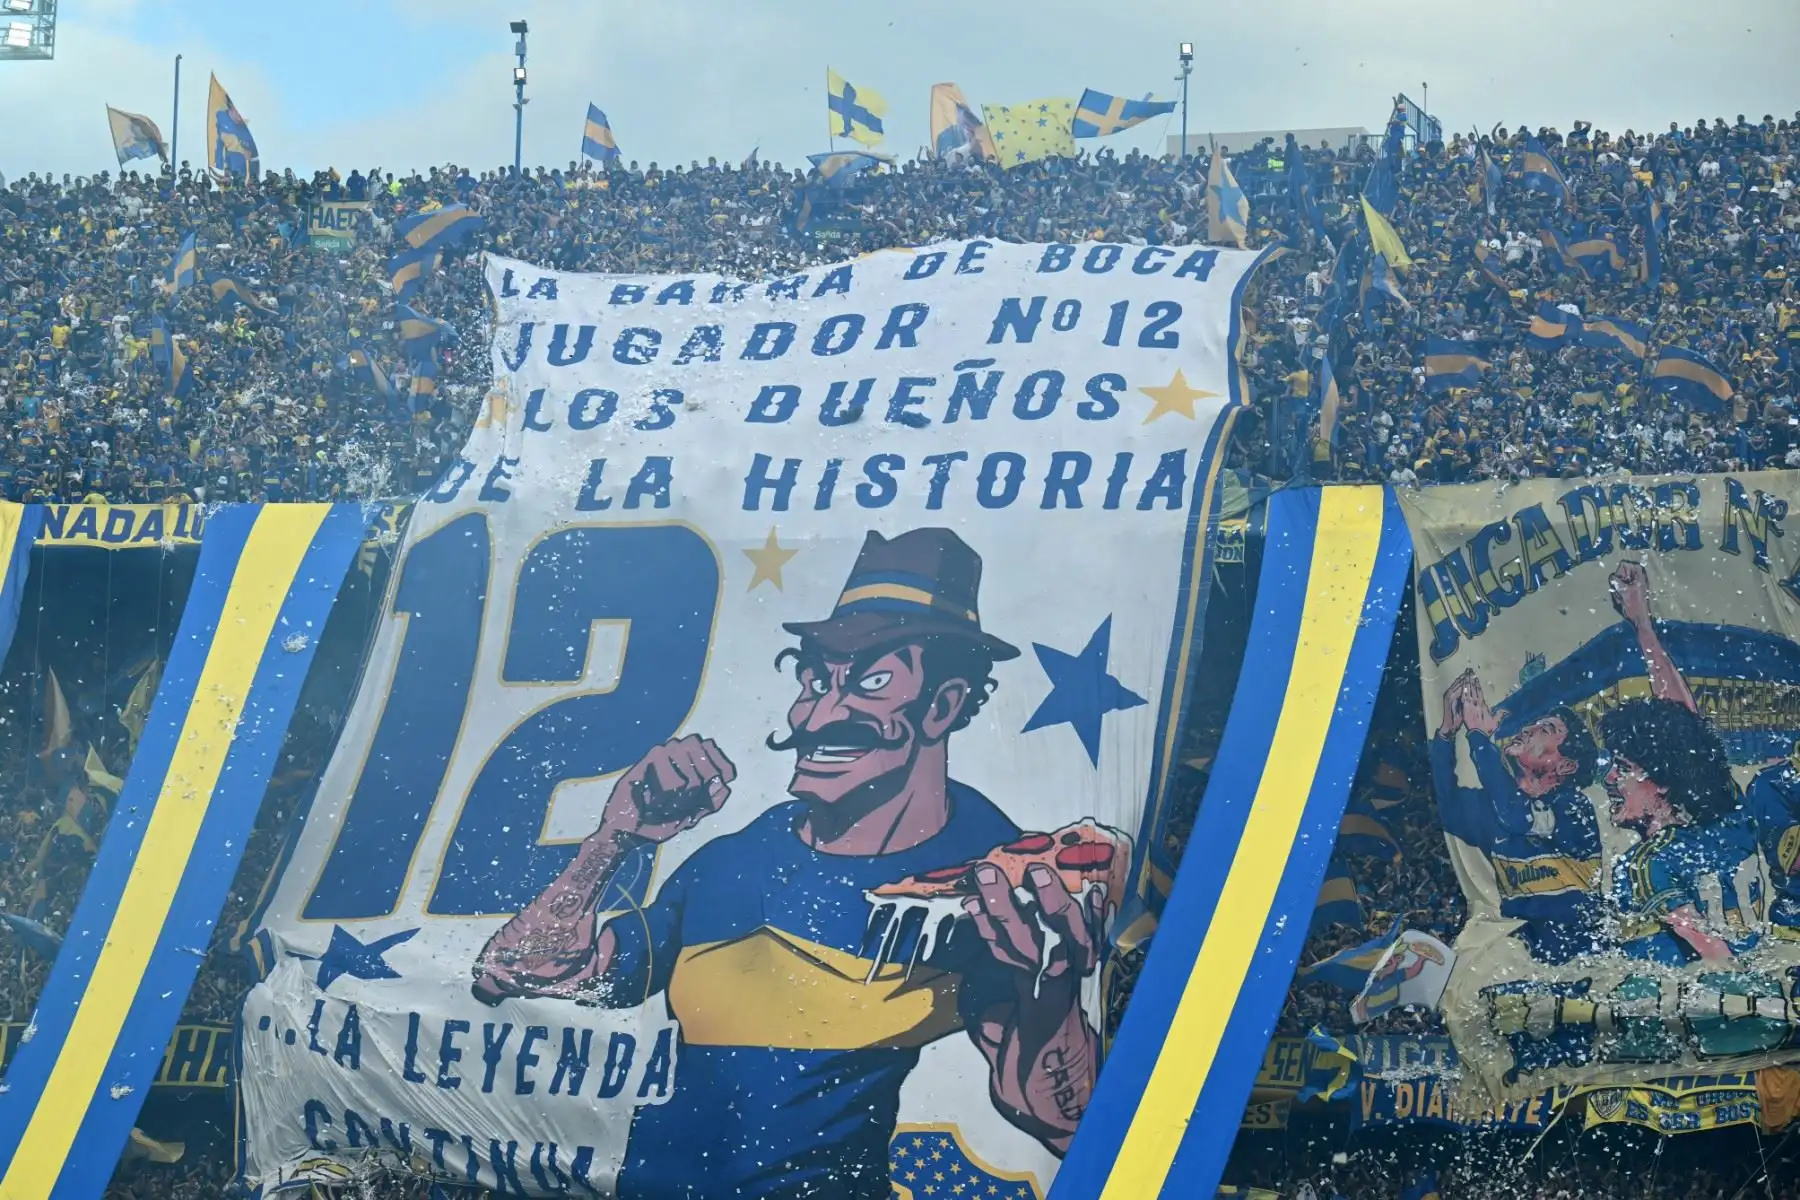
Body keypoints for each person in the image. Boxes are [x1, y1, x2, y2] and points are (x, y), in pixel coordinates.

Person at [472, 528, 1108, 1199]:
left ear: (943, 705)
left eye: (872, 681)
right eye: (814, 678)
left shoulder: (985, 880)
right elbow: (513, 975)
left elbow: (1062, 1117)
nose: (816, 712)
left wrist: (1051, 993)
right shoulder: (736, 859)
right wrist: (614, 839)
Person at [1598, 562, 1757, 965]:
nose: (1611, 777)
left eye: (1622, 767)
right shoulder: (1730, 821)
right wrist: (1642, 624)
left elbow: (1718, 958)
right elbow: (1684, 728)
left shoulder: (1645, 863)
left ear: (1663, 782)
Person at [1430, 668, 1604, 963]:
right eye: (1533, 724)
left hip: (1583, 956)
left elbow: (1518, 819)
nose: (1528, 728)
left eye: (1545, 730)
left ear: (1566, 766)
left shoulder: (1574, 808)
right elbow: (1446, 807)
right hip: (1523, 955)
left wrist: (1478, 737)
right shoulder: (1494, 808)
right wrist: (1447, 732)